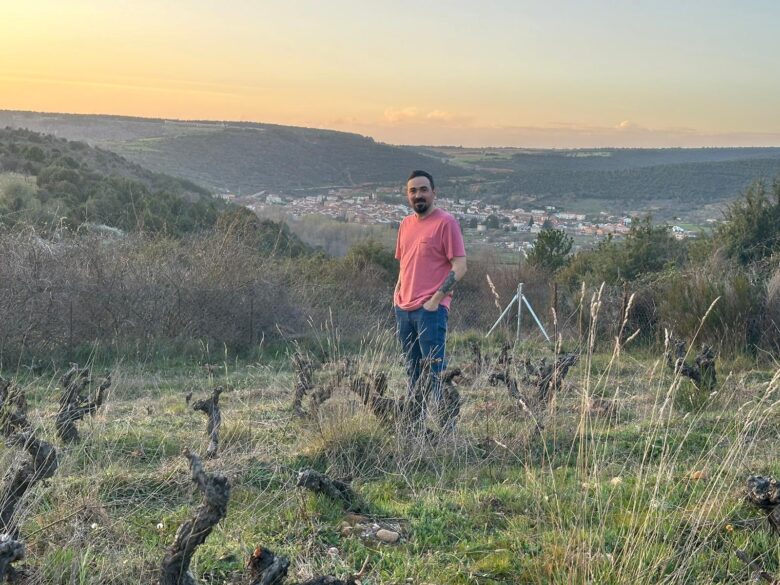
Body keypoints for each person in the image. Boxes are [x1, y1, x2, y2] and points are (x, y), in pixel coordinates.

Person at [394, 170, 467, 423]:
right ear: (408, 195)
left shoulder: (446, 223)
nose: (418, 195)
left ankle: (446, 431)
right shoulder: (405, 225)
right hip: (403, 310)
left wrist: (435, 301)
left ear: (434, 193)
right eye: (413, 191)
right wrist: (397, 296)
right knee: (412, 371)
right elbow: (404, 263)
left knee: (435, 372)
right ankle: (417, 428)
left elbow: (460, 266)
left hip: (430, 311)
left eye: (423, 189)